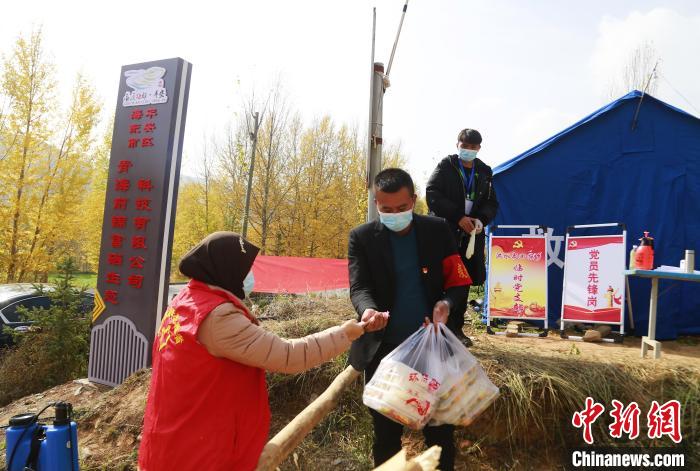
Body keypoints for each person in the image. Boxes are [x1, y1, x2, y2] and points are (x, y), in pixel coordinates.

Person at [138, 232, 375, 471]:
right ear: (226, 268)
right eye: (244, 268)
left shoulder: (186, 302)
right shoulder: (217, 318)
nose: (249, 276)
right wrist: (345, 334)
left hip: (173, 441)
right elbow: (288, 356)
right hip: (200, 454)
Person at [348, 168, 471, 471]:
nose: (395, 215)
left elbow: (458, 279)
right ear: (375, 202)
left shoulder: (437, 230)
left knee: (440, 432)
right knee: (386, 434)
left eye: (402, 208)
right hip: (384, 352)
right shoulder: (362, 238)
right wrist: (368, 310)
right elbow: (360, 286)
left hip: (432, 350)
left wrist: (446, 303)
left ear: (414, 200)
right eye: (386, 209)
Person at [426, 128, 498, 344]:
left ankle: (456, 329)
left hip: (470, 237)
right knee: (439, 280)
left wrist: (481, 220)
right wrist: (458, 217)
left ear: (479, 149)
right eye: (464, 146)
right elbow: (432, 194)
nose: (468, 150)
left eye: (472, 147)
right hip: (445, 231)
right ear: (457, 144)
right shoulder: (446, 166)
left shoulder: (485, 172)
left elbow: (492, 203)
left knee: (462, 282)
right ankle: (435, 327)